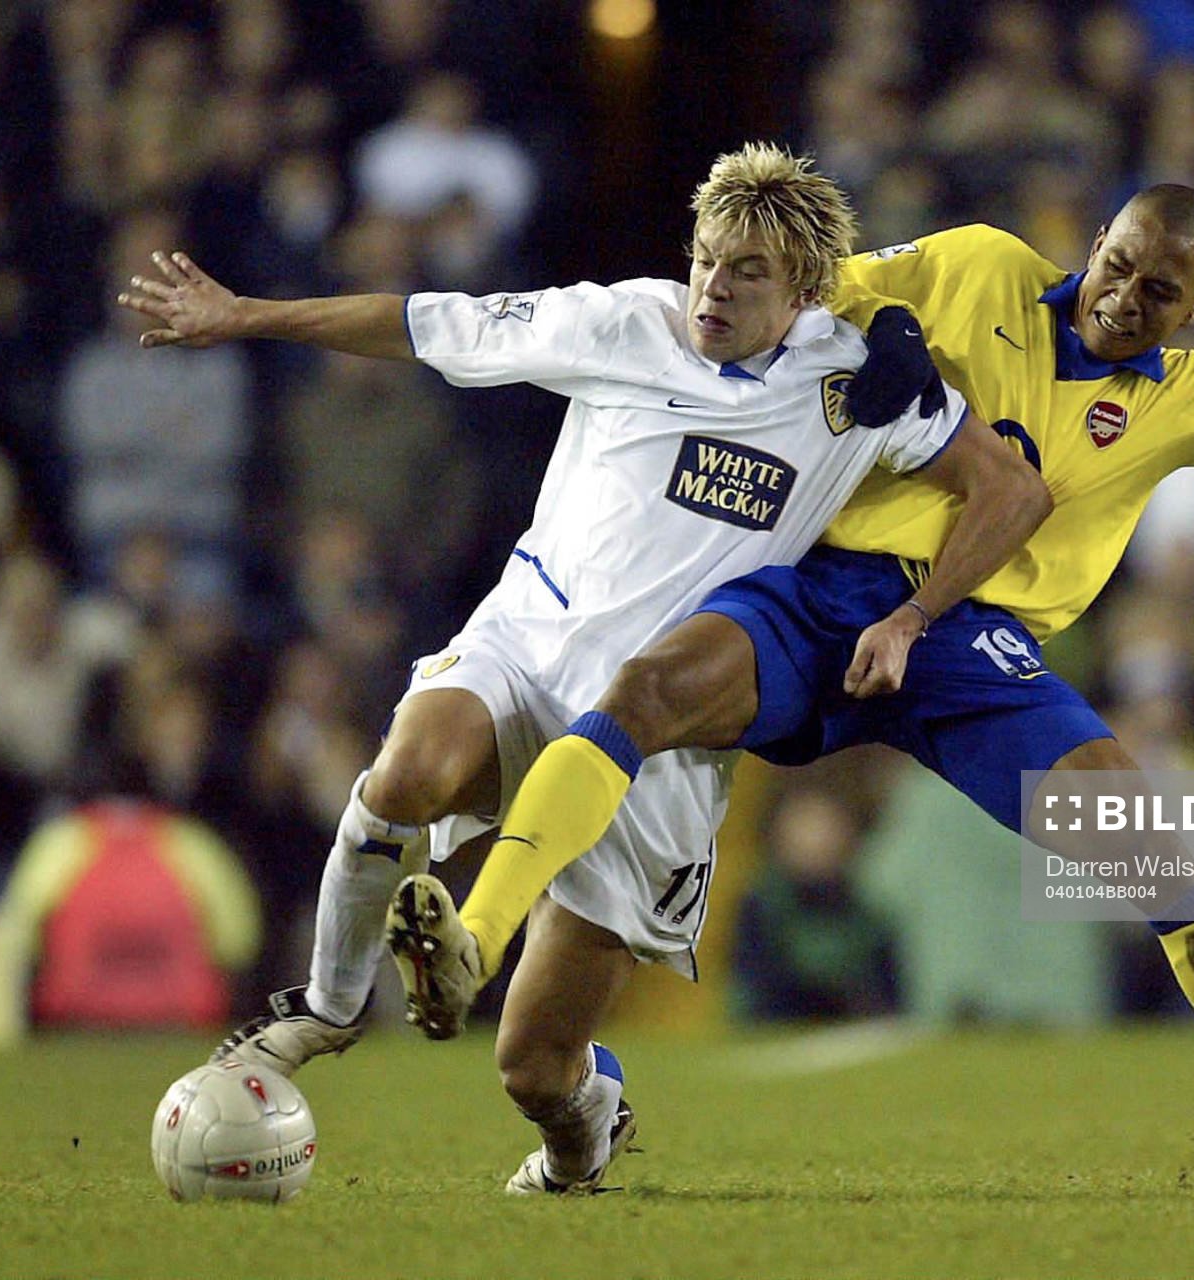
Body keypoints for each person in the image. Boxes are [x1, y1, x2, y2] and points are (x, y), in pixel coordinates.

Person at [390, 189, 1194, 1197]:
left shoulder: (1187, 399)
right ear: (1102, 238)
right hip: (822, 587)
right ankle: (478, 929)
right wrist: (897, 328)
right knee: (647, 686)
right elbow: (821, 281)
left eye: (1160, 290)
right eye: (1122, 261)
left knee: (1161, 865)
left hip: (972, 643)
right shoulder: (980, 265)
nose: (1126, 295)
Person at [113, 143, 1052, 1195]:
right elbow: (427, 324)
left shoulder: (856, 382)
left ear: (801, 286)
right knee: (404, 777)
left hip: (656, 742)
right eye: (705, 259)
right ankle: (324, 1012)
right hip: (524, 651)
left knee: (530, 1063)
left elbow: (1014, 493)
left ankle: (583, 1124)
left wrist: (918, 615)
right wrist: (247, 314)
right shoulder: (620, 322)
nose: (712, 287)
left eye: (745, 271)